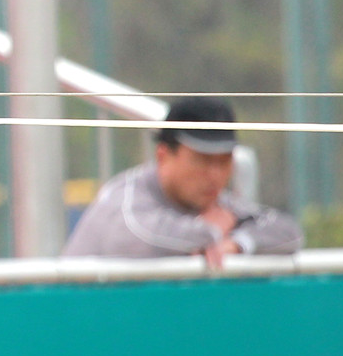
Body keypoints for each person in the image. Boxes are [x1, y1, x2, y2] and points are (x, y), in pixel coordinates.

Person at [62, 96, 303, 268]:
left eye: (224, 162)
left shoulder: (215, 205)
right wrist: (212, 230)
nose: (215, 175)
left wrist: (237, 244)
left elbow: (288, 232)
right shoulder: (124, 198)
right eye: (202, 161)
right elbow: (143, 238)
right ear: (163, 156)